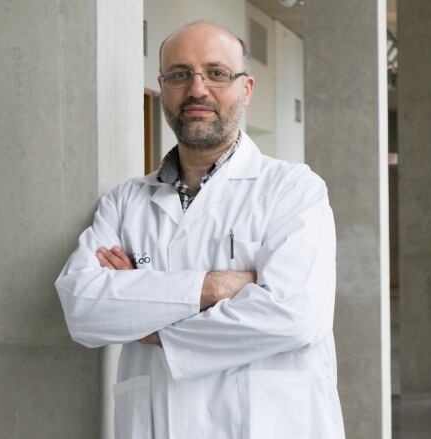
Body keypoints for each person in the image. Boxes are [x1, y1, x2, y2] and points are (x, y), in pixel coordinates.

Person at [55, 20, 344, 439]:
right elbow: (81, 308)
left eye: (216, 73)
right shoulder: (124, 202)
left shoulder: (294, 190)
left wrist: (144, 315)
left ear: (245, 89)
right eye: (179, 74)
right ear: (161, 86)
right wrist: (213, 288)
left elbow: (294, 316)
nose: (196, 89)